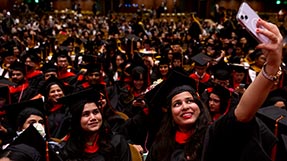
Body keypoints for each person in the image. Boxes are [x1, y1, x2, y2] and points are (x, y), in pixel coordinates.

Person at [146, 19, 286, 161]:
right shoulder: (159, 146)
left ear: (199, 106)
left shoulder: (213, 135)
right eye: (177, 104)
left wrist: (272, 67)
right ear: (170, 113)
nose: (185, 106)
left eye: (190, 101)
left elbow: (243, 112)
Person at [59, 88, 132, 161]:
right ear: (77, 120)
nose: (93, 118)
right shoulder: (68, 151)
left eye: (96, 112)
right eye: (86, 114)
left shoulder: (117, 143)